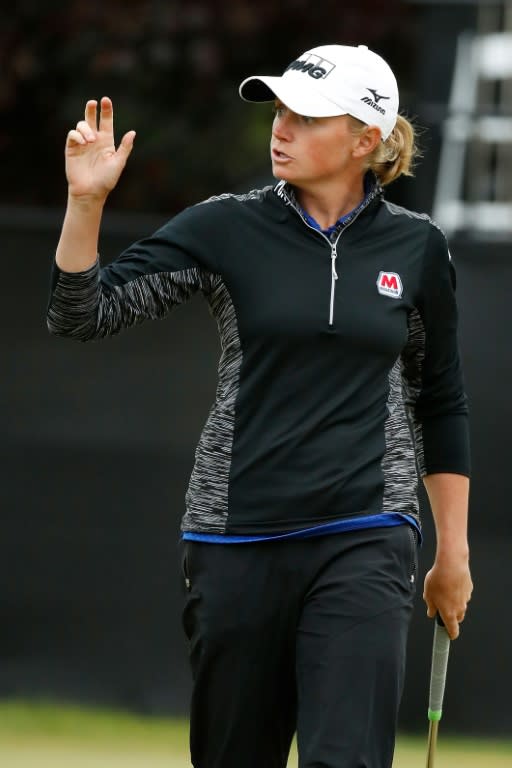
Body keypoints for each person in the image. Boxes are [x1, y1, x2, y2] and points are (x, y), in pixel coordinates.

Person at [47, 43, 473, 768]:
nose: (281, 128)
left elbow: (441, 398)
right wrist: (85, 204)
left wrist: (452, 553)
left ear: (366, 138)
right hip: (236, 538)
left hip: (366, 534)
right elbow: (83, 314)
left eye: (306, 116)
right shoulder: (225, 227)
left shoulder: (418, 248)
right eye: (279, 111)